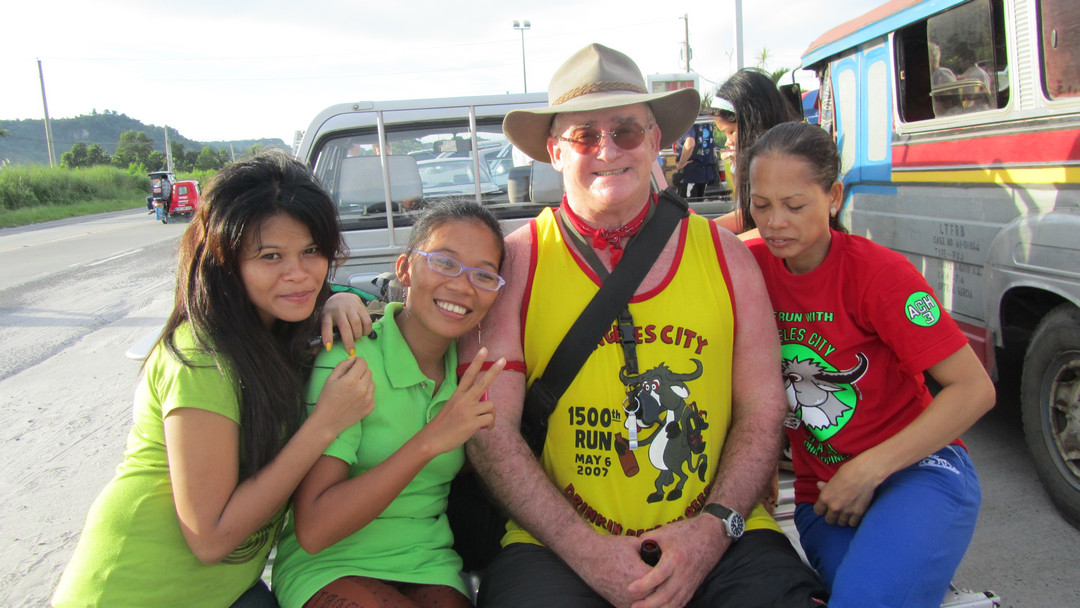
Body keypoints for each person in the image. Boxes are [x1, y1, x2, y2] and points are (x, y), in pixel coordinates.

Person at [461, 43, 827, 608]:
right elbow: (489, 431)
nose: (608, 150)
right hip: (553, 543)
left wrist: (711, 532)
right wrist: (585, 549)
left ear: (656, 141)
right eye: (585, 136)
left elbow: (762, 408)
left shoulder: (727, 258)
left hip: (721, 534)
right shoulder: (515, 265)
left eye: (626, 131)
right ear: (555, 151)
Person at [52, 150, 376, 608]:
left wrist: (336, 299)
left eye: (311, 251)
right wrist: (326, 423)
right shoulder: (201, 360)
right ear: (225, 262)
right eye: (270, 256)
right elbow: (210, 538)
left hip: (228, 591)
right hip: (134, 591)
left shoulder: (273, 333)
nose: (299, 274)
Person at [743, 121, 995, 606]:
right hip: (826, 496)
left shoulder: (880, 275)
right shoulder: (746, 265)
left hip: (918, 470)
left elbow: (974, 389)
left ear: (834, 197)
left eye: (794, 205)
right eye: (761, 204)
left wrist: (868, 470)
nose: (775, 222)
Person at [271, 200, 507, 608]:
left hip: (428, 564)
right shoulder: (349, 358)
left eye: (483, 274)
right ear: (404, 269)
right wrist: (430, 441)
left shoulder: (475, 371)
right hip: (330, 564)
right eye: (444, 263)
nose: (463, 286)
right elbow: (314, 528)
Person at [709, 68, 802, 237]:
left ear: (752, 124)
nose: (728, 142)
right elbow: (747, 215)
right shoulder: (753, 163)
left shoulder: (786, 165)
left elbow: (773, 227)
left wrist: (715, 237)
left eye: (731, 132)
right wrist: (704, 229)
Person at [672, 121, 717, 200]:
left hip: (689, 174)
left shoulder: (688, 122)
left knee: (686, 204)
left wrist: (681, 164)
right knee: (698, 203)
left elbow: (689, 144)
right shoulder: (705, 122)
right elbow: (713, 150)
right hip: (705, 174)